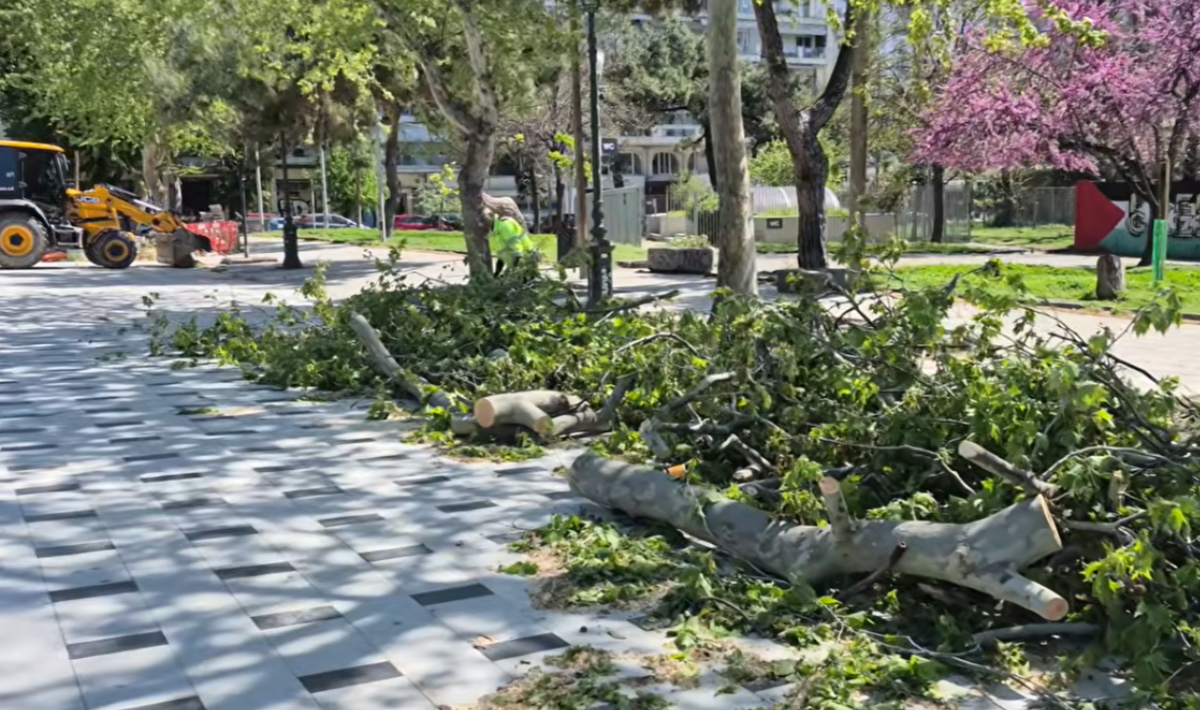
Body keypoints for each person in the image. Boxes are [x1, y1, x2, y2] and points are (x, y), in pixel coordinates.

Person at [489, 208, 536, 276]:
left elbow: (517, 247)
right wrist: (497, 273)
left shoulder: (504, 225)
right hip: (518, 260)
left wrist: (514, 270)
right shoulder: (496, 230)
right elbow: (502, 255)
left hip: (526, 258)